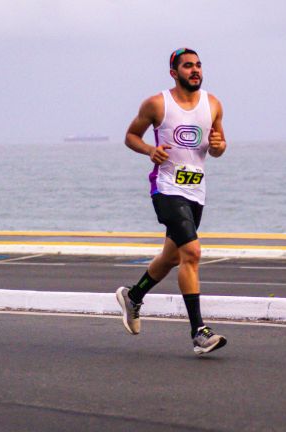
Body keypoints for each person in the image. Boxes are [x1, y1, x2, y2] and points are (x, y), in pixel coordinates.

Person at [116, 48, 227, 355]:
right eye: (188, 66)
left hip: (196, 191)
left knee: (173, 257)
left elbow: (218, 146)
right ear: (174, 73)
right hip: (165, 187)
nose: (195, 70)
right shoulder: (157, 104)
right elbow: (131, 136)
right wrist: (150, 150)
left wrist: (219, 146)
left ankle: (134, 295)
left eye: (198, 65)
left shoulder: (213, 104)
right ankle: (199, 332)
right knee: (191, 252)